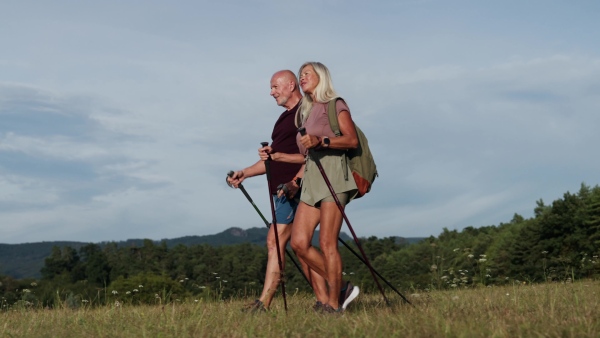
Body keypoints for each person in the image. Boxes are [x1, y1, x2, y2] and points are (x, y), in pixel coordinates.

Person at [227, 70, 327, 312]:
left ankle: (263, 303)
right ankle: (327, 300)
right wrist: (245, 173)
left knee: (275, 240)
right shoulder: (283, 120)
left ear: (291, 85)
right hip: (282, 192)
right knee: (300, 249)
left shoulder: (308, 111)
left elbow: (313, 154)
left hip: (296, 190)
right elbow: (274, 160)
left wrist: (296, 181)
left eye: (275, 86)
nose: (271, 92)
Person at [287, 61, 360, 313]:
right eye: (300, 75)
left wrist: (322, 140)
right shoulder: (305, 113)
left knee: (328, 242)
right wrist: (294, 179)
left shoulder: (335, 104)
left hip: (333, 177)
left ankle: (332, 304)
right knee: (298, 243)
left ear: (321, 76)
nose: (302, 77)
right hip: (311, 181)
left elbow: (351, 139)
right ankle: (341, 288)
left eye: (307, 73)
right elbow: (306, 155)